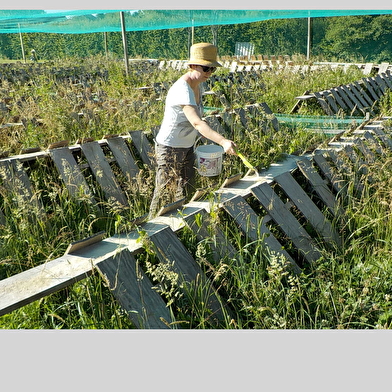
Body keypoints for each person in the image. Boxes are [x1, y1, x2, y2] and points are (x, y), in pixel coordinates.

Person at [149, 42, 237, 218]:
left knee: (187, 190)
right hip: (169, 148)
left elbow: (197, 119)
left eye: (212, 69)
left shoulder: (198, 85)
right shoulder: (182, 89)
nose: (209, 73)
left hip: (187, 146)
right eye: (206, 68)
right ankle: (151, 231)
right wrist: (223, 141)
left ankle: (181, 225)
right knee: (164, 194)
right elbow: (197, 123)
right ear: (192, 65)